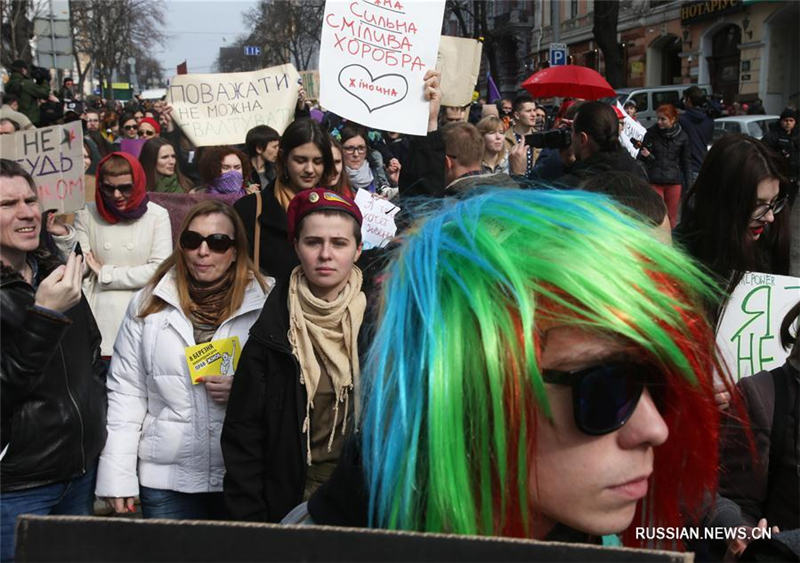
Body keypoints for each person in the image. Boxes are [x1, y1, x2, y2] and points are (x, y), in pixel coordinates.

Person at [300, 188, 727, 549]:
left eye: (657, 381)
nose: (655, 429)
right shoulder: (298, 548)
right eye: (605, 389)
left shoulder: (598, 536)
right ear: (468, 387)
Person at [95, 200, 271, 519]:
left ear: (235, 250)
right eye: (192, 241)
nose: (203, 251)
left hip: (240, 476)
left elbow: (289, 389)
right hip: (165, 480)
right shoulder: (149, 303)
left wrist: (245, 390)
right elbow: (126, 394)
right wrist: (117, 478)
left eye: (217, 243)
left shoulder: (267, 302)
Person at [223, 188, 366, 522]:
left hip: (362, 495)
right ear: (296, 246)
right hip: (290, 498)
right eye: (313, 242)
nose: (325, 254)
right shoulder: (271, 329)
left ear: (358, 250)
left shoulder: (382, 320)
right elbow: (244, 436)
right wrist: (252, 524)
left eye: (339, 243)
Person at [0, 159, 106, 562]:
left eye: (30, 199)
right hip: (15, 488)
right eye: (8, 204)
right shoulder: (50, 292)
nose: (27, 212)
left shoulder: (55, 272)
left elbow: (91, 355)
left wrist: (96, 424)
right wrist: (43, 318)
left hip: (78, 476)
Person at [51, 152, 172, 357]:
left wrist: (106, 273)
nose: (117, 195)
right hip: (100, 316)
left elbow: (160, 270)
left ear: (138, 183)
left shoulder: (157, 215)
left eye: (125, 188)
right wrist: (64, 236)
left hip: (143, 313)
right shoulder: (87, 213)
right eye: (109, 188)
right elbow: (81, 267)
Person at [675, 134, 791, 296]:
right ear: (720, 200)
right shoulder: (679, 260)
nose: (770, 217)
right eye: (757, 204)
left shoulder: (769, 243)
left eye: (774, 201)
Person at [234, 118, 335, 283]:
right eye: (300, 160)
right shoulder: (249, 210)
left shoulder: (338, 213)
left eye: (317, 161)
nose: (309, 169)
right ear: (283, 158)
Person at [558, 101, 648, 187]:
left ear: (582, 139)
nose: (570, 136)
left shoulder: (572, 185)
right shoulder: (637, 170)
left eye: (572, 131)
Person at [637, 104, 691, 227]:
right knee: (657, 217)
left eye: (663, 119)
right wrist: (647, 156)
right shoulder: (651, 133)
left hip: (674, 181)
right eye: (658, 118)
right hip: (655, 180)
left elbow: (686, 162)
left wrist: (689, 186)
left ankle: (669, 243)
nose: (659, 122)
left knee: (672, 218)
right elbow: (640, 158)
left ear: (672, 120)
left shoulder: (683, 136)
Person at [441, 122, 517, 195]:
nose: (498, 137)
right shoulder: (513, 190)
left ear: (447, 163)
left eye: (501, 132)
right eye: (491, 132)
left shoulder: (447, 203)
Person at [340, 123, 397, 195]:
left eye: (361, 148)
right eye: (350, 148)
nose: (356, 154)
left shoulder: (377, 171)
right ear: (340, 149)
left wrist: (396, 182)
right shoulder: (335, 179)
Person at [762, 107, 799, 203]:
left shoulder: (797, 136)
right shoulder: (772, 136)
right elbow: (764, 154)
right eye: (785, 120)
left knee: (789, 204)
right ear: (781, 121)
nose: (788, 123)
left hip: (793, 179)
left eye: (791, 120)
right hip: (777, 178)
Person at [678, 86, 713, 184]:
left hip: (686, 168)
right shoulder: (709, 120)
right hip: (702, 166)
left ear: (689, 100)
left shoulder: (682, 120)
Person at [194, 146, 258, 199]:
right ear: (212, 170)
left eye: (237, 167)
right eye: (226, 168)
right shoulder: (200, 199)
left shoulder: (252, 198)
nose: (233, 172)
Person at [5, 60, 52, 126]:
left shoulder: (8, 84)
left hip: (14, 119)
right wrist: (45, 80)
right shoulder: (26, 83)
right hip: (30, 120)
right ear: (23, 70)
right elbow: (44, 93)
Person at [504, 94, 539, 177]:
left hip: (537, 187)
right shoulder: (504, 139)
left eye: (534, 110)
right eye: (528, 111)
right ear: (517, 115)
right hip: (512, 186)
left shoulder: (540, 138)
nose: (534, 114)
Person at [245, 125, 280, 189]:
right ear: (259, 149)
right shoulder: (242, 172)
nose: (278, 150)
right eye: (274, 147)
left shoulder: (277, 170)